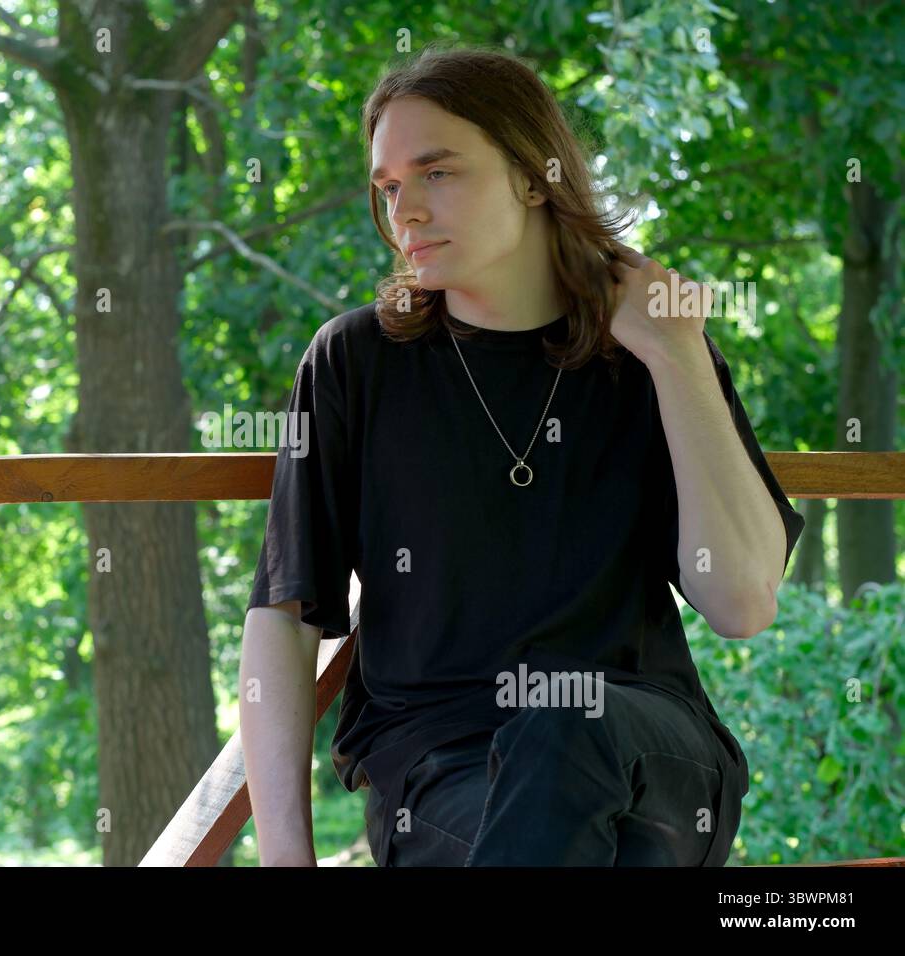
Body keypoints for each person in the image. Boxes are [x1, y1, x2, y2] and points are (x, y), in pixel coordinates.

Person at [238, 44, 805, 868]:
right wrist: (286, 858)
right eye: (389, 186)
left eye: (437, 173)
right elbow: (286, 619)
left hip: (648, 749)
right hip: (444, 771)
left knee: (567, 726)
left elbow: (742, 604)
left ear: (533, 175)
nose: (405, 213)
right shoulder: (353, 363)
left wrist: (676, 354)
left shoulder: (650, 352)